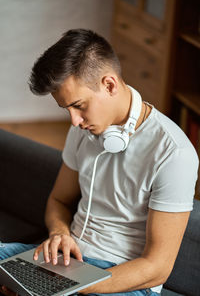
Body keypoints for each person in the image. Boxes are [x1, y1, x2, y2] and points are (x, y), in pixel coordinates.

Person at [0, 29, 199, 296]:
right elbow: (59, 200)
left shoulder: (174, 153)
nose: (74, 121)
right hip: (68, 264)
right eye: (67, 109)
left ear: (109, 85)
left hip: (123, 279)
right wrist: (60, 233)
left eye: (79, 105)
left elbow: (157, 267)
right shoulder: (82, 130)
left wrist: (72, 288)